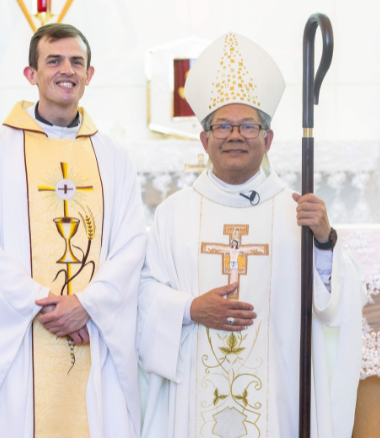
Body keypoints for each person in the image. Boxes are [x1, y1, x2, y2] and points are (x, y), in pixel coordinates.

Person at [136, 32, 365, 438]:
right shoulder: (174, 214)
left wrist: (325, 239)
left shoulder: (296, 213)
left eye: (248, 126)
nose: (235, 135)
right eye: (222, 126)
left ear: (268, 139)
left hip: (276, 398)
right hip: (194, 392)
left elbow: (334, 303)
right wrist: (190, 309)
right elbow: (144, 294)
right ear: (204, 140)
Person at [0, 24, 146, 438]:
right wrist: (44, 304)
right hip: (22, 333)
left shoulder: (112, 158)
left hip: (93, 326)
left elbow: (131, 244)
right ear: (31, 74)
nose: (65, 70)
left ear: (90, 75)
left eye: (76, 62)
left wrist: (87, 303)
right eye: (53, 60)